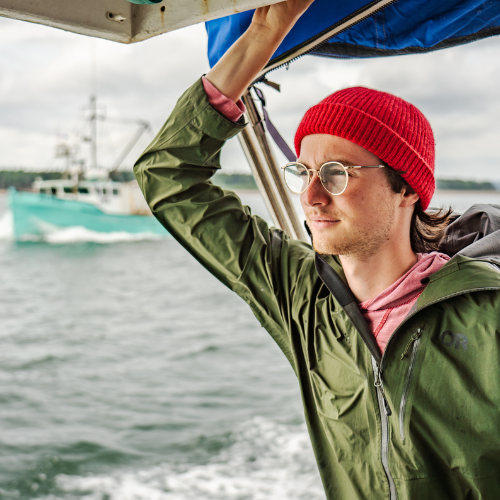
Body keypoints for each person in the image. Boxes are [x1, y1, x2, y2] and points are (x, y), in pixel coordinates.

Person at [133, 1, 500, 498]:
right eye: (303, 173)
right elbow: (167, 177)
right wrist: (263, 35)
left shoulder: (486, 312)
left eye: (336, 174)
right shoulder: (300, 298)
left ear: (407, 188)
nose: (310, 197)